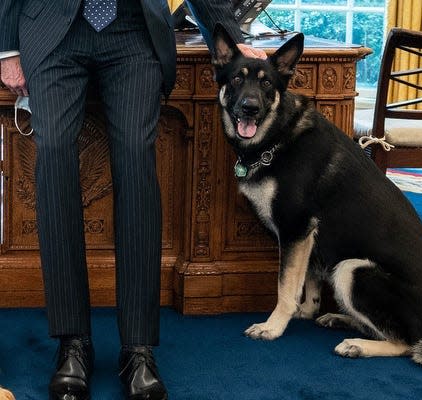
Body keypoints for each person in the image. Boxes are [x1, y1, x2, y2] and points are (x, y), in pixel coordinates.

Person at [0, 1, 266, 399]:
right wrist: (7, 48)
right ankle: (73, 342)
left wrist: (233, 38)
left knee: (137, 157)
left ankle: (137, 349)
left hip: (132, 31)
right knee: (53, 152)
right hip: (52, 29)